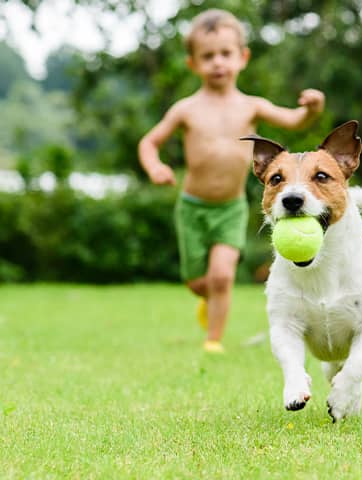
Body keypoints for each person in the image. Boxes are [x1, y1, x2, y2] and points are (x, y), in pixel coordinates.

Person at [138, 9, 325, 353]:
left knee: (222, 276)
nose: (218, 62)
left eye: (225, 54)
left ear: (243, 58)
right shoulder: (186, 109)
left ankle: (213, 341)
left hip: (231, 208)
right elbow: (149, 142)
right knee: (199, 282)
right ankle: (206, 298)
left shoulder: (251, 106)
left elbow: (294, 120)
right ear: (193, 63)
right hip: (192, 207)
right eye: (207, 56)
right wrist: (155, 167)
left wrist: (312, 109)